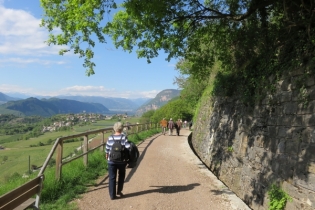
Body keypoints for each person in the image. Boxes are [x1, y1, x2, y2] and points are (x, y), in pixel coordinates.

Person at [105, 122, 131, 200]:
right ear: (121, 128)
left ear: (114, 129)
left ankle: (112, 195)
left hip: (111, 160)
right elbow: (128, 147)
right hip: (121, 161)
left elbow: (107, 149)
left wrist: (107, 156)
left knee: (112, 177)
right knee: (121, 176)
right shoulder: (123, 137)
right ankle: (119, 191)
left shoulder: (110, 137)